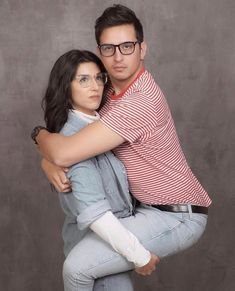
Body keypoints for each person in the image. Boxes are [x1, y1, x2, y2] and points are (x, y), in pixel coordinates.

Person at [33, 4, 211, 291]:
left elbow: (64, 151)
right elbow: (67, 139)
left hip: (176, 214)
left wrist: (42, 142)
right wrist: (48, 159)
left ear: (143, 49)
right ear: (100, 51)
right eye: (108, 48)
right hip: (139, 211)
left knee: (77, 269)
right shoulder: (104, 94)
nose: (117, 57)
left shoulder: (139, 102)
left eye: (127, 46)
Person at [37, 49, 158, 291]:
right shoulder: (73, 139)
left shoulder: (102, 126)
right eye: (83, 79)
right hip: (95, 249)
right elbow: (96, 216)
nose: (95, 86)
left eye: (98, 77)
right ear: (66, 87)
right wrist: (139, 256)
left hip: (111, 247)